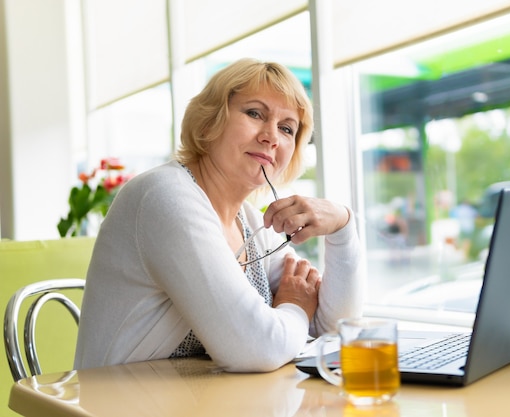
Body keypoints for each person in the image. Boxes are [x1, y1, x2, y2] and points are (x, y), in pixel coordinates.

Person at [74, 58, 364, 372]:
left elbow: (333, 328)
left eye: (286, 128)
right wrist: (294, 306)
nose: (272, 137)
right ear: (211, 118)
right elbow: (257, 348)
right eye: (255, 113)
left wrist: (343, 228)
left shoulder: (252, 221)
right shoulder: (165, 196)